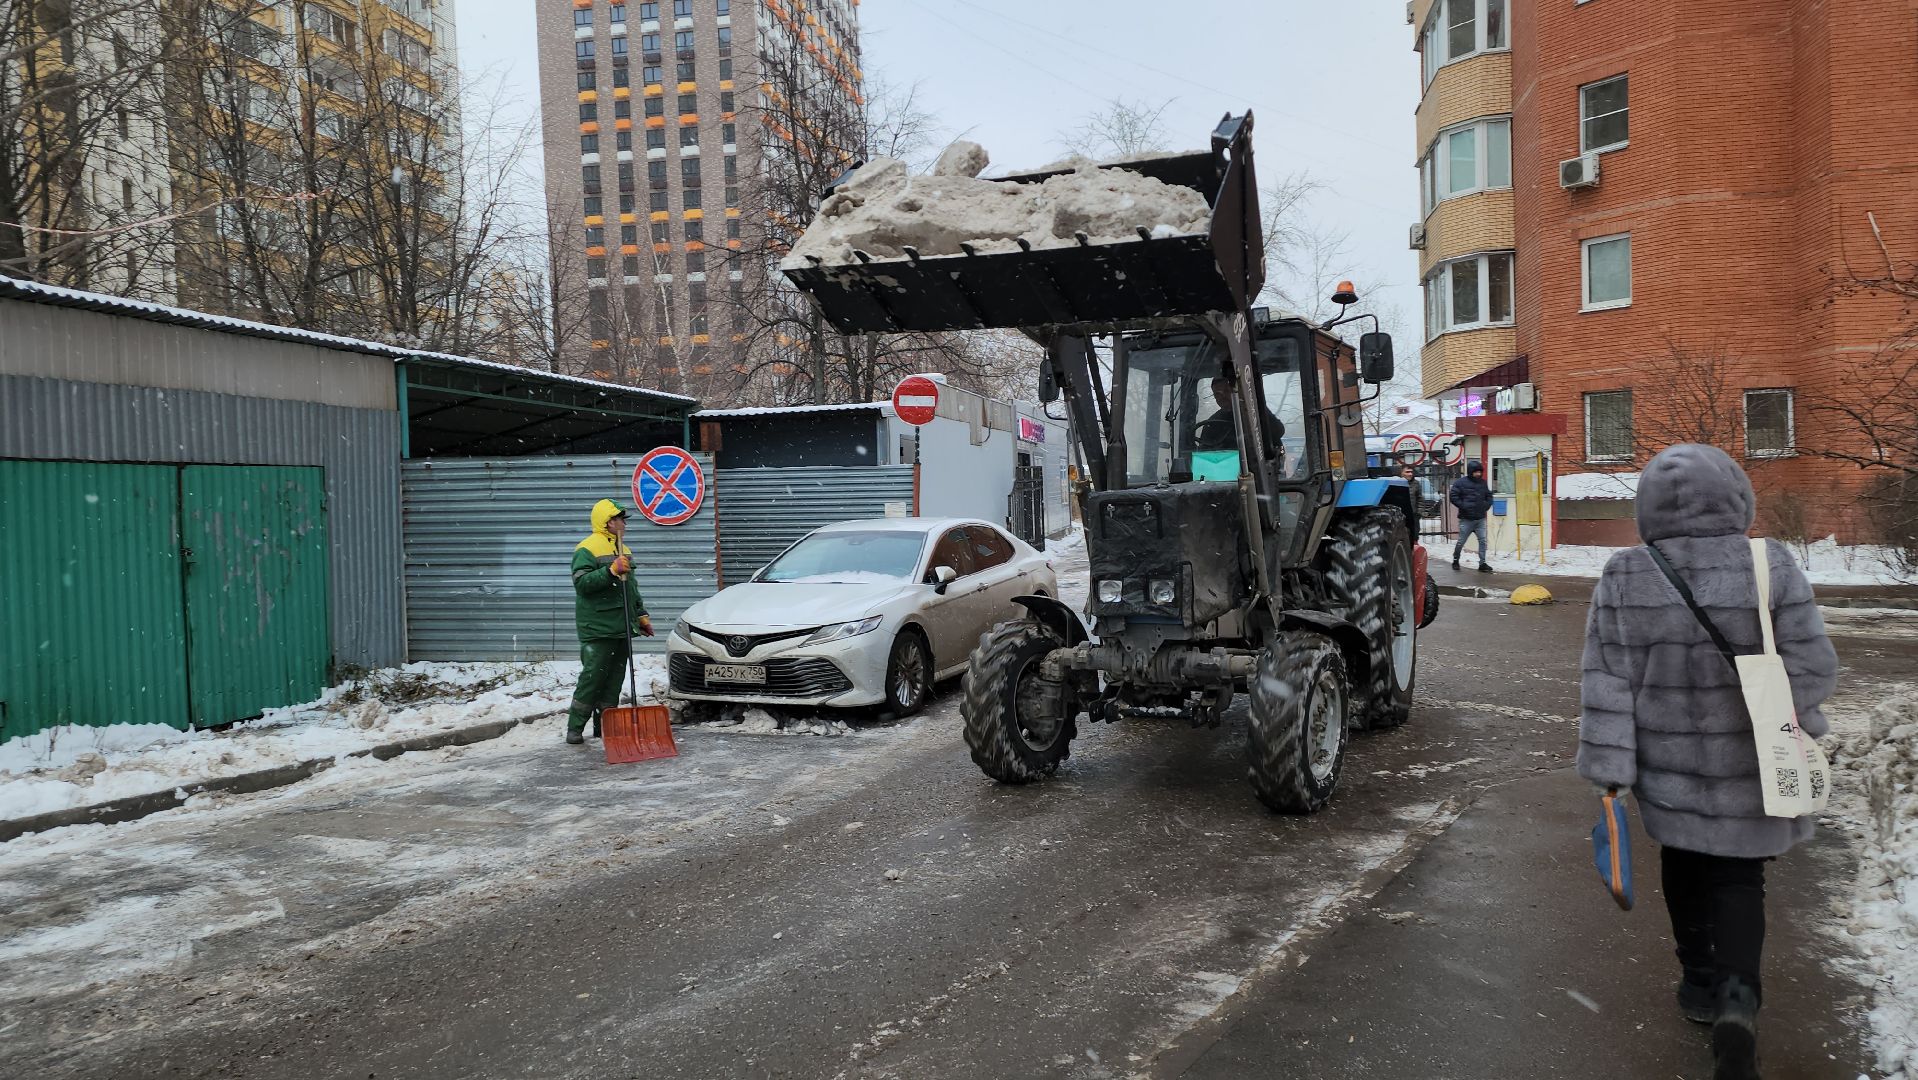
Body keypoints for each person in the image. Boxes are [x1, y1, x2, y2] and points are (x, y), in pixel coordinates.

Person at [1577, 444, 1837, 1080]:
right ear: (1737, 497)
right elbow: (1813, 664)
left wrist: (1613, 767)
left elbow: (1607, 680)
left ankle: (1697, 981)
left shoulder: (1625, 573)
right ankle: (1737, 1001)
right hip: (1754, 758)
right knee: (1741, 879)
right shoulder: (1769, 562)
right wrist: (1785, 709)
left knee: (1685, 865)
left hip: (1669, 767)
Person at [567, 499, 654, 745]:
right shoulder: (587, 548)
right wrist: (610, 571)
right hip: (597, 627)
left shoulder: (624, 549)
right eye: (620, 519)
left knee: (614, 679)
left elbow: (631, 589)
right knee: (593, 678)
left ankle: (605, 726)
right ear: (608, 522)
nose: (624, 524)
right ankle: (575, 726)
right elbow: (582, 585)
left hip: (622, 626)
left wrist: (641, 615)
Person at [1194, 376, 1285, 458]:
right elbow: (1205, 456)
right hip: (1226, 471)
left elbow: (1278, 431)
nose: (1223, 397)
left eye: (1227, 391)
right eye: (1217, 394)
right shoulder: (1212, 423)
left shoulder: (1254, 411)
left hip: (1260, 469)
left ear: (1237, 392)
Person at [1448, 460, 1494, 572]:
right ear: (1470, 472)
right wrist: (1463, 505)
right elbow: (1453, 496)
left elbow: (1489, 496)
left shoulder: (1483, 483)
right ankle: (1455, 560)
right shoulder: (1460, 483)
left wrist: (1485, 506)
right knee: (1461, 542)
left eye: (1480, 472)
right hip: (1466, 519)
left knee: (1483, 541)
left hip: (1480, 519)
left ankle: (1482, 563)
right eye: (1476, 472)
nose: (1478, 474)